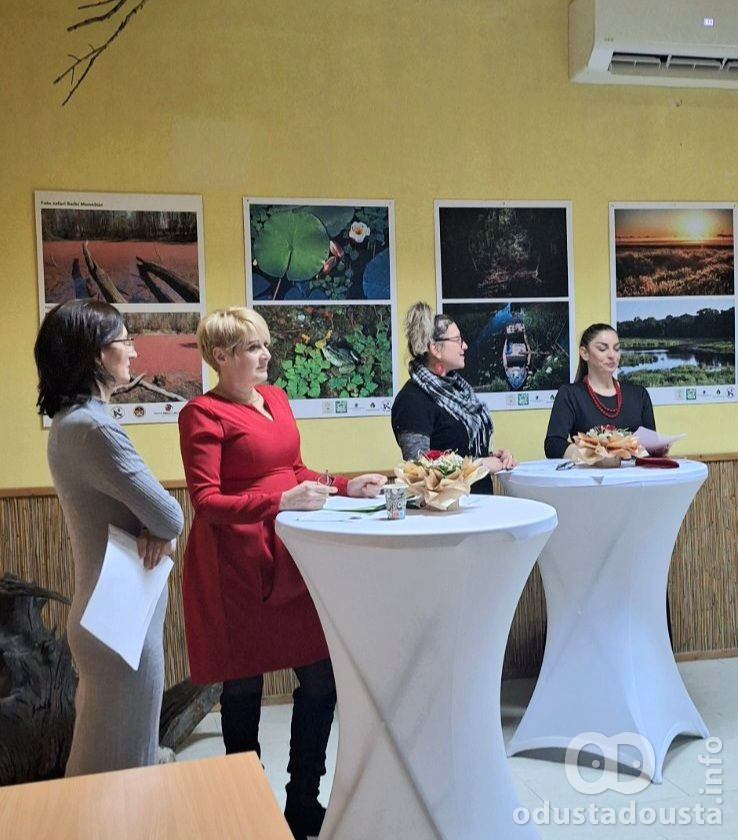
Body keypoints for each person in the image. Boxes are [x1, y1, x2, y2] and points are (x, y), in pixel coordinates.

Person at [177, 307, 386, 840]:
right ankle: (247, 811)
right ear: (221, 356)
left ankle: (302, 803)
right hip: (234, 565)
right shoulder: (201, 413)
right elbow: (206, 502)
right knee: (242, 686)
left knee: (320, 677)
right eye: (253, 347)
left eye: (264, 344)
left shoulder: (275, 399)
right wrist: (280, 500)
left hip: (288, 556)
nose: (266, 354)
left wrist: (343, 486)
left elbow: (293, 470)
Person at [34, 300, 184, 776]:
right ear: (97, 354)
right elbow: (170, 516)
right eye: (125, 341)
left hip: (110, 615)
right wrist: (161, 532)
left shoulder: (71, 422)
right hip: (121, 623)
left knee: (105, 769)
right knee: (121, 776)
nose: (134, 353)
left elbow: (155, 521)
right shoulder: (95, 428)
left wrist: (157, 530)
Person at [391, 302, 516, 494]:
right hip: (446, 509)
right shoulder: (411, 401)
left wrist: (494, 456)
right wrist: (480, 464)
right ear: (435, 348)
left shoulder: (458, 391)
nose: (464, 346)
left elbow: (458, 450)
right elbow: (419, 472)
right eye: (457, 340)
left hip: (478, 503)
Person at [544, 322, 656, 460]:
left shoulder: (639, 394)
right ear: (584, 353)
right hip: (591, 472)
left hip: (633, 472)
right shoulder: (570, 394)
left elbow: (652, 445)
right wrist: (593, 454)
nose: (612, 355)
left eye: (616, 349)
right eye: (603, 349)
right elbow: (553, 445)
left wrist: (658, 448)